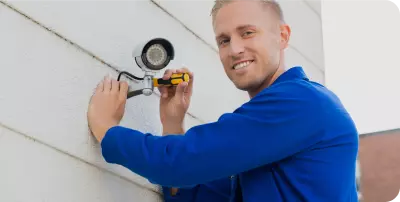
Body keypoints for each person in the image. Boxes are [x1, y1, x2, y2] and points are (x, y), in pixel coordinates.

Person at [87, 0, 359, 201]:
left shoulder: (303, 104)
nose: (235, 49)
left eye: (248, 32)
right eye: (224, 40)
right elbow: (192, 193)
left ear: (283, 36)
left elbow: (179, 164)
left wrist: (107, 131)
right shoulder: (267, 138)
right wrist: (173, 122)